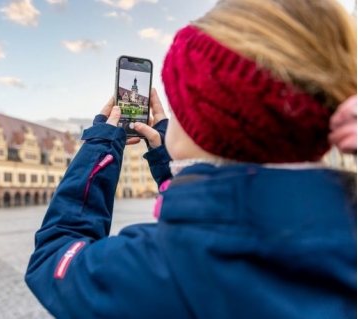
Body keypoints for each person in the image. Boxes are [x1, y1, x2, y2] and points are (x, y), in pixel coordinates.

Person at [25, 0, 357, 318]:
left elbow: (54, 255)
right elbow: (227, 206)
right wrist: (168, 163)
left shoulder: (160, 266)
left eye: (178, 105)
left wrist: (99, 144)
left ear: (205, 123)